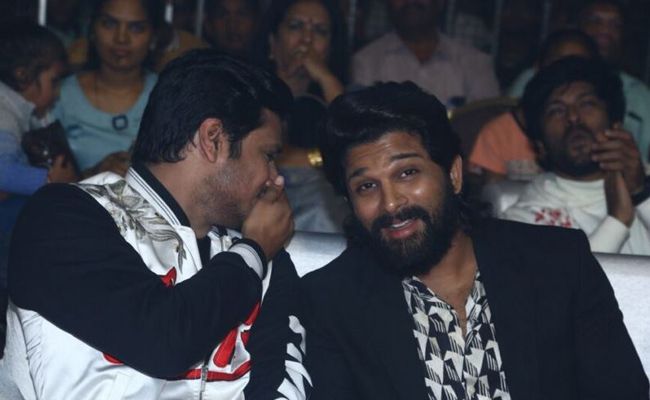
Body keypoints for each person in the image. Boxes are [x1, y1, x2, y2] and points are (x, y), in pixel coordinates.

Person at [288, 81, 650, 400]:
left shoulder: (554, 262)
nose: (391, 204)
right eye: (367, 187)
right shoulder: (332, 297)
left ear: (454, 174)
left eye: (407, 173)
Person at [3, 50, 311, 400]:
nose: (276, 179)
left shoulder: (259, 250)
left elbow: (281, 378)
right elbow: (162, 339)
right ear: (213, 140)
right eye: (268, 156)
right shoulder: (66, 216)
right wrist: (252, 253)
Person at [502, 56, 650, 255]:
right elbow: (557, 276)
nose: (573, 117)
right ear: (540, 146)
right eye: (557, 110)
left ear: (616, 125)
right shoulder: (523, 221)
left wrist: (641, 194)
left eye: (586, 104)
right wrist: (617, 221)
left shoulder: (644, 183)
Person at [508, 0, 650, 162]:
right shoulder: (533, 80)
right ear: (576, 26)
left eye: (615, 25)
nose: (605, 30)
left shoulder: (638, 93)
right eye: (595, 21)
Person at [252, 0, 349, 233]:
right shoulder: (248, 92)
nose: (307, 40)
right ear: (272, 41)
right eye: (296, 26)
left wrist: (326, 78)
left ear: (331, 47)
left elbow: (356, 142)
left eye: (320, 31)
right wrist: (319, 158)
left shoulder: (342, 95)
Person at [0, 21, 77, 291]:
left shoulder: (16, 110)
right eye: (53, 82)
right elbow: (3, 172)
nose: (57, 93)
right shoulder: (4, 113)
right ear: (23, 75)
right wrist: (50, 179)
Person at [469, 29, 600, 182]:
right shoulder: (499, 133)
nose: (567, 77)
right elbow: (492, 194)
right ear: (538, 69)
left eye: (579, 68)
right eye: (558, 66)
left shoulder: (598, 131)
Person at [54, 0, 161, 175]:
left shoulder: (168, 96)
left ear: (154, 36)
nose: (121, 38)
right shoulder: (59, 95)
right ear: (92, 29)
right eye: (110, 24)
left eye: (136, 28)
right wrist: (90, 176)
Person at [351, 0, 499, 110]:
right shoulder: (366, 62)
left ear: (441, 2)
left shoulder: (476, 62)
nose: (410, 1)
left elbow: (487, 122)